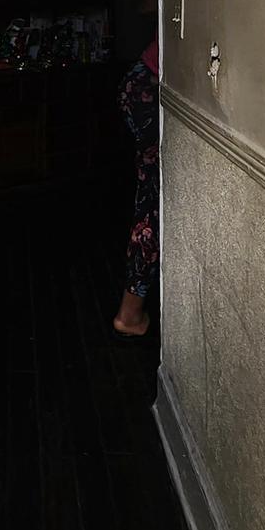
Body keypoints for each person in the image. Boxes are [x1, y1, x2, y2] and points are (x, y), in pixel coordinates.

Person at [111, 30, 161, 337]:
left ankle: (131, 313)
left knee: (151, 200)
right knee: (152, 207)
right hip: (145, 90)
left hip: (140, 85)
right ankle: (129, 314)